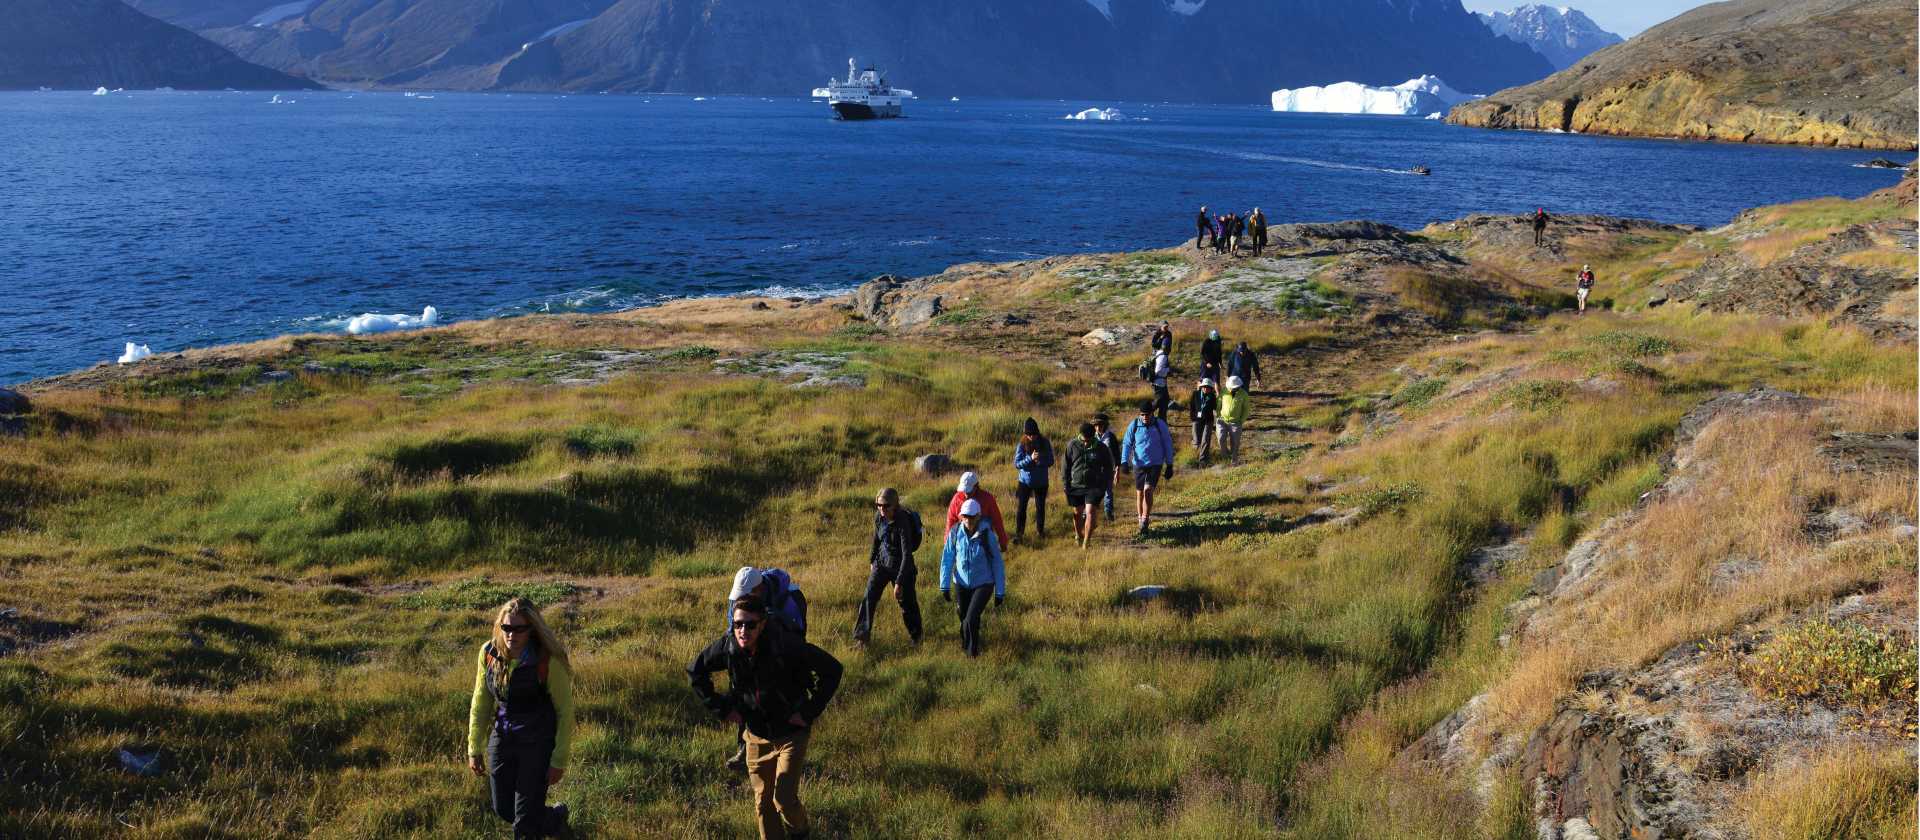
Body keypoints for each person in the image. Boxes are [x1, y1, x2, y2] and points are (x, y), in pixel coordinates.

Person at [689, 597, 843, 840]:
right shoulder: (729, 647)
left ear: (762, 624)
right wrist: (722, 709)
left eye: (750, 625)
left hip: (791, 733)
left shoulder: (785, 645)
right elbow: (696, 672)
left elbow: (833, 669)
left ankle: (800, 833)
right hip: (756, 735)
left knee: (783, 799)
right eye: (738, 624)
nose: (743, 631)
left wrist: (807, 712)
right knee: (763, 804)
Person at [468, 597, 574, 840]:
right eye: (506, 628)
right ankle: (555, 819)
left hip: (538, 742)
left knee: (524, 823)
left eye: (519, 629)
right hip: (504, 737)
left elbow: (565, 712)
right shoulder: (488, 654)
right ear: (499, 626)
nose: (511, 635)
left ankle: (538, 825)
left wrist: (558, 759)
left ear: (532, 629)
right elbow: (481, 702)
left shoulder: (547, 661)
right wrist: (474, 747)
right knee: (504, 809)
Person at [721, 567, 808, 770]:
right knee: (745, 694)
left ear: (759, 590)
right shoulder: (739, 597)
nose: (739, 600)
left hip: (778, 654)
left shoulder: (790, 599)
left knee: (777, 696)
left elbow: (797, 636)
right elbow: (731, 629)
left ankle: (784, 748)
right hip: (748, 653)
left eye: (746, 595)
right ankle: (744, 749)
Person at [939, 498, 1007, 657]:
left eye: (971, 516)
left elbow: (997, 563)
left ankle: (972, 654)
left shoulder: (987, 535)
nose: (968, 520)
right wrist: (945, 585)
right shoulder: (955, 533)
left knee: (970, 618)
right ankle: (966, 643)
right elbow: (947, 558)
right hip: (961, 583)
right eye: (965, 516)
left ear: (978, 516)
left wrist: (1000, 592)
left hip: (983, 584)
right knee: (964, 617)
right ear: (961, 516)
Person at [854, 488, 922, 648]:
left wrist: (899, 582)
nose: (881, 509)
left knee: (907, 604)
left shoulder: (903, 522)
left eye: (885, 506)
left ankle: (917, 638)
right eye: (878, 505)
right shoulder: (879, 517)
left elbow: (907, 555)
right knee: (869, 597)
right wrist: (872, 560)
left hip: (902, 567)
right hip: (882, 563)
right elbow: (876, 540)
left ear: (895, 505)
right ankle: (862, 639)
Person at [1120, 399, 1176, 535]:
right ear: (1139, 414)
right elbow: (1127, 444)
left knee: (1148, 491)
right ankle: (1140, 519)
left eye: (1147, 414)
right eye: (1142, 415)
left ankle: (1145, 519)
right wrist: (1124, 462)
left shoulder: (1159, 424)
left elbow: (1167, 443)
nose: (1145, 417)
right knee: (1139, 493)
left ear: (1153, 413)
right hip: (1138, 464)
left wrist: (1169, 464)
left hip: (1155, 464)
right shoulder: (1134, 425)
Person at [1062, 421, 1115, 548]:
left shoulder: (1101, 447)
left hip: (1094, 486)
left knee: (1090, 511)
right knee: (1077, 512)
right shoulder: (1072, 445)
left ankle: (1086, 541)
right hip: (1075, 485)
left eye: (1089, 440)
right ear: (1081, 435)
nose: (1086, 442)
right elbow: (1065, 466)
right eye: (1084, 440)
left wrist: (1103, 483)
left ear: (1093, 436)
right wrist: (1066, 484)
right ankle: (1078, 535)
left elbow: (1108, 467)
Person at [1012, 418, 1054, 543]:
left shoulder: (1045, 443)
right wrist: (1030, 459)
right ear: (1025, 434)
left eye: (1033, 434)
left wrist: (1040, 461)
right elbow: (1017, 464)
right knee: (1021, 508)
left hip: (1041, 482)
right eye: (1028, 434)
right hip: (1024, 482)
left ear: (1037, 432)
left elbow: (1051, 461)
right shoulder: (1021, 444)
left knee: (1040, 508)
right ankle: (1019, 534)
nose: (1031, 436)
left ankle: (1040, 532)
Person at [944, 471, 1008, 549]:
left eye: (969, 490)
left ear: (976, 486)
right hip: (963, 539)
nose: (966, 493)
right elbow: (950, 522)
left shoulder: (987, 499)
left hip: (984, 540)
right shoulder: (956, 499)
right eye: (964, 490)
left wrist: (1003, 541)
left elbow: (997, 520)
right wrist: (947, 544)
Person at [1093, 413, 1122, 523]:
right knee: (1092, 491)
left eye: (1100, 425)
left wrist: (1117, 470)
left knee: (1108, 492)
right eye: (1096, 425)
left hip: (1108, 469)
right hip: (1094, 470)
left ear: (1105, 425)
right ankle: (1089, 513)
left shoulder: (1111, 437)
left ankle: (1108, 513)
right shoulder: (1091, 437)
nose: (1097, 427)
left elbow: (1116, 455)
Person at [1218, 375, 1249, 465]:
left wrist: (1241, 420)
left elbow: (1246, 409)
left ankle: (1234, 460)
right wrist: (1218, 415)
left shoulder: (1244, 394)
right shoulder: (1224, 391)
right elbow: (1219, 402)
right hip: (1222, 420)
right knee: (1220, 438)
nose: (1232, 389)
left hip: (1236, 422)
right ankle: (1225, 457)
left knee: (1235, 443)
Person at [1189, 378, 1219, 463]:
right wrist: (1193, 418)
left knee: (1205, 440)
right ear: (1201, 387)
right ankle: (1193, 457)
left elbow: (1215, 407)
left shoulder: (1212, 396)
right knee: (1196, 441)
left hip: (1208, 421)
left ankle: (1203, 460)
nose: (1206, 388)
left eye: (1208, 387)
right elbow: (1192, 407)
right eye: (1204, 387)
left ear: (1211, 388)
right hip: (1196, 420)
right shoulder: (1195, 394)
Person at [1150, 346, 1172, 421]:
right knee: (1159, 401)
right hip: (1159, 383)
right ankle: (1146, 413)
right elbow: (1158, 371)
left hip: (1159, 383)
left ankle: (1161, 421)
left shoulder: (1159, 354)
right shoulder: (1162, 356)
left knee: (1164, 401)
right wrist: (1168, 369)